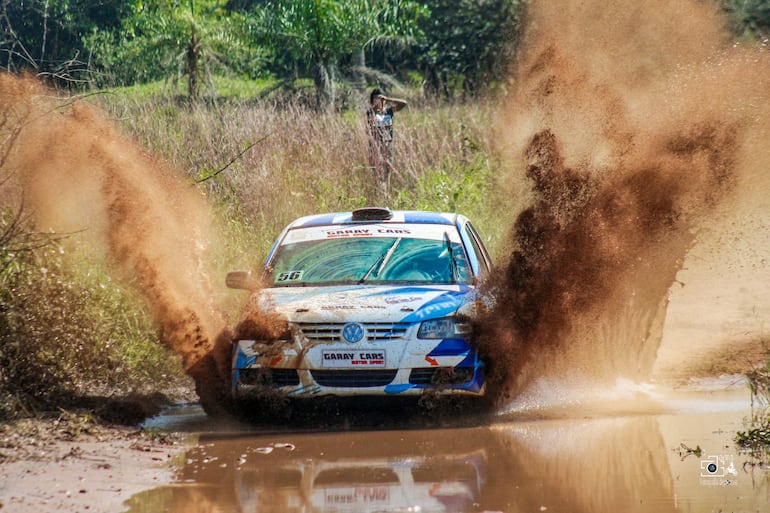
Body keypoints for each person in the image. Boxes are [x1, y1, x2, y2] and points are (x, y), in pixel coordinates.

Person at [366, 88, 407, 186]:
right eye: (375, 98)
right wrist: (376, 109)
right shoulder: (370, 112)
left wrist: (388, 100)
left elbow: (404, 103)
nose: (377, 101)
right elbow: (368, 128)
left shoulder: (388, 111)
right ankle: (378, 186)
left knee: (388, 166)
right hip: (376, 145)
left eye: (379, 98)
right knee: (376, 168)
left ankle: (385, 185)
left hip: (388, 143)